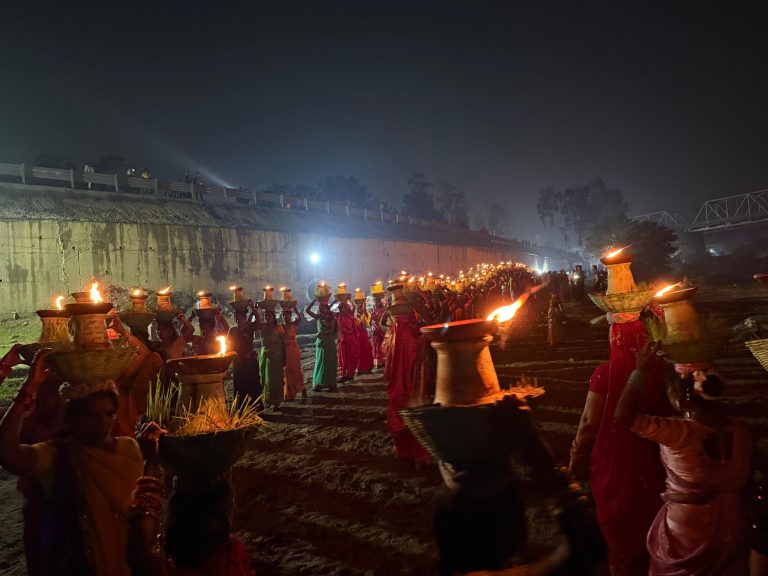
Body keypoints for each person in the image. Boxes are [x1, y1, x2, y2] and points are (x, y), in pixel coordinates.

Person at [0, 350, 145, 576]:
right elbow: (7, 453)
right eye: (92, 416)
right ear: (71, 419)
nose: (102, 424)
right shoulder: (57, 456)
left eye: (108, 414)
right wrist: (27, 391)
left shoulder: (128, 449)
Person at [615, 342, 752, 575]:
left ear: (682, 393)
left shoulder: (679, 432)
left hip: (687, 528)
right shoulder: (741, 431)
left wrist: (639, 372)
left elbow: (623, 417)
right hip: (732, 522)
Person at [569, 312, 668, 575]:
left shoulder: (605, 374)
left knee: (621, 531)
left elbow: (589, 422)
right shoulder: (663, 371)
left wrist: (576, 454)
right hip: (657, 459)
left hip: (614, 464)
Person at [384, 283, 430, 466]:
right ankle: (415, 452)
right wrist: (421, 299)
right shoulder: (408, 330)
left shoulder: (397, 331)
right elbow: (430, 316)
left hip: (401, 377)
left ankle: (406, 451)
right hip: (411, 375)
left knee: (401, 403)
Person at [228, 302, 262, 403]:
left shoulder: (250, 328)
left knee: (252, 385)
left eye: (239, 317)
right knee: (240, 385)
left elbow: (258, 321)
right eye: (236, 317)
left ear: (244, 317)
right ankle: (241, 410)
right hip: (238, 362)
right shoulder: (232, 330)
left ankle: (255, 408)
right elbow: (228, 344)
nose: (238, 319)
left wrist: (253, 309)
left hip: (250, 361)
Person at [306, 298, 338, 392]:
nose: (322, 309)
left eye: (324, 307)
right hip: (321, 342)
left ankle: (331, 383)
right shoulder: (319, 317)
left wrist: (320, 334)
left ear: (327, 308)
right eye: (321, 308)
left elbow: (331, 331)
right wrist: (314, 301)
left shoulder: (331, 318)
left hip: (329, 342)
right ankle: (319, 383)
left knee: (329, 362)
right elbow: (307, 310)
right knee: (320, 361)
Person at [258, 307, 285, 409]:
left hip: (276, 356)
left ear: (273, 317)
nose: (267, 317)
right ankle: (267, 399)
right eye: (266, 316)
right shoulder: (262, 327)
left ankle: (276, 401)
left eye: (269, 316)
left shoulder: (279, 327)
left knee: (275, 379)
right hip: (265, 355)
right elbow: (253, 323)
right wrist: (254, 310)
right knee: (265, 379)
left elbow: (283, 343)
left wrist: (284, 357)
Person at [282, 304, 305, 401]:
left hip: (293, 348)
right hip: (285, 349)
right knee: (287, 371)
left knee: (296, 369)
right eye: (283, 315)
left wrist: (295, 308)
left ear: (290, 315)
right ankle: (290, 393)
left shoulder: (293, 324)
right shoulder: (281, 326)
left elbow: (300, 318)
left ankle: (303, 389)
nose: (285, 317)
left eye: (287, 315)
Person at [336, 298, 359, 383]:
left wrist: (350, 300)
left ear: (347, 308)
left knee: (351, 357)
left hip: (351, 340)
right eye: (341, 308)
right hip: (342, 340)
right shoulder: (338, 316)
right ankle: (344, 375)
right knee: (342, 358)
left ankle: (350, 376)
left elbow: (355, 329)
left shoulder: (351, 317)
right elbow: (338, 329)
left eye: (344, 307)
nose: (343, 309)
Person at [354, 298, 375, 375]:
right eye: (358, 308)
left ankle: (368, 368)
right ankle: (360, 369)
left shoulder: (365, 314)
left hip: (364, 335)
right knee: (359, 352)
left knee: (366, 351)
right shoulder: (355, 317)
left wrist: (364, 304)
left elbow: (365, 313)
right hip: (358, 336)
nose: (359, 309)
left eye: (360, 308)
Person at [370, 293, 387, 371]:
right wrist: (373, 326)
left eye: (377, 301)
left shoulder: (384, 311)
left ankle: (384, 361)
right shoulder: (373, 312)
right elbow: (371, 321)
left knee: (382, 345)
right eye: (375, 302)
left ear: (380, 302)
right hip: (375, 331)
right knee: (376, 346)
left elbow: (385, 320)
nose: (376, 303)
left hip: (382, 330)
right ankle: (378, 363)